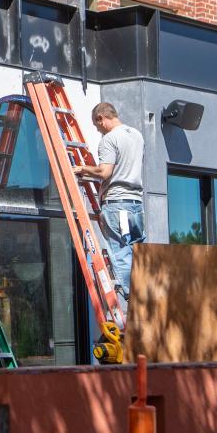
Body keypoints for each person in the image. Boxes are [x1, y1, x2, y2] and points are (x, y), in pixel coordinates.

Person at [73, 102, 146, 300]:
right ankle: (145, 296)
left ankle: (133, 299)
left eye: (97, 127)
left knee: (121, 250)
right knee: (138, 250)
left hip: (117, 203)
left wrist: (83, 169)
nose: (98, 131)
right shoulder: (137, 136)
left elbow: (105, 172)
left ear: (101, 118)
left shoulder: (109, 139)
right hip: (136, 204)